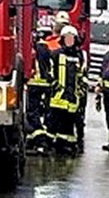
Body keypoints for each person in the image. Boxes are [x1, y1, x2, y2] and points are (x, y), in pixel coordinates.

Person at [46, 25, 86, 155]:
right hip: (58, 96)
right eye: (67, 38)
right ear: (62, 39)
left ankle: (65, 145)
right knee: (53, 122)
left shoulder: (79, 56)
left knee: (68, 123)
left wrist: (81, 91)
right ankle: (50, 145)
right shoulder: (55, 54)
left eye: (72, 38)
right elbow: (49, 72)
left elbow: (81, 75)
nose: (69, 41)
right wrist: (54, 84)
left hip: (72, 97)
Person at [25, 18, 56, 153]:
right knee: (48, 112)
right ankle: (46, 140)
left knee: (33, 112)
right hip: (48, 85)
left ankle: (38, 139)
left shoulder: (34, 49)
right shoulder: (51, 49)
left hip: (34, 84)